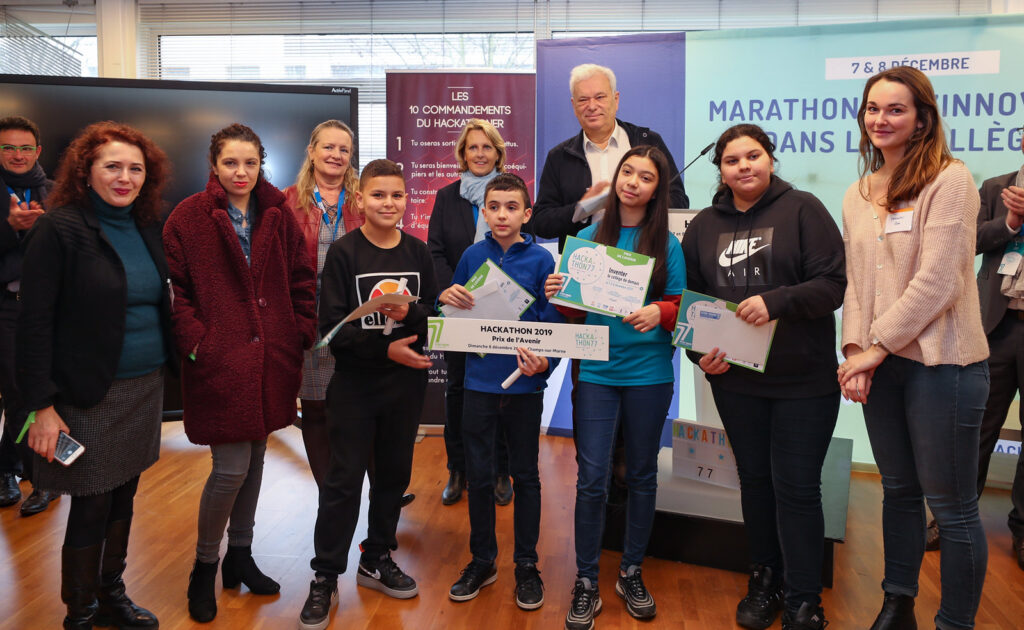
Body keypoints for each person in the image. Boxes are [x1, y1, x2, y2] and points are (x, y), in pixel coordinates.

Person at [838, 66, 989, 630]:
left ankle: (955, 623)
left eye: (895, 109)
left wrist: (875, 347)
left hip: (943, 364)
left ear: (922, 118)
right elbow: (857, 283)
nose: (881, 119)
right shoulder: (858, 192)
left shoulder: (951, 179)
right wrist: (856, 350)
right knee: (898, 491)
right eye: (872, 108)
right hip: (881, 365)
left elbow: (940, 281)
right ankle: (897, 604)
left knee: (951, 507)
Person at [681, 124, 845, 630]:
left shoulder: (804, 209)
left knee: (797, 488)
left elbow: (833, 285)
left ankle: (803, 599)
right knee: (754, 483)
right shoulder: (703, 225)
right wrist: (699, 357)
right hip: (736, 382)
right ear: (721, 170)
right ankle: (764, 579)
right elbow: (691, 302)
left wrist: (777, 301)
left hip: (803, 382)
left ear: (770, 159)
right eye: (732, 160)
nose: (744, 166)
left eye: (753, 156)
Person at [17, 121, 173, 629]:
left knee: (124, 494)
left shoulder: (148, 226)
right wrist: (41, 406)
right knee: (91, 501)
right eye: (113, 166)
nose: (125, 178)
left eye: (135, 169)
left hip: (144, 386)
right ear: (86, 172)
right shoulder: (58, 229)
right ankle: (80, 613)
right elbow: (33, 324)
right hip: (88, 394)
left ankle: (111, 595)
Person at [163, 123, 316, 623]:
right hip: (220, 361)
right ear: (214, 165)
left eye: (250, 162)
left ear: (260, 164)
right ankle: (204, 566)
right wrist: (198, 343)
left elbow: (301, 276)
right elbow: (176, 291)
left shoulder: (278, 212)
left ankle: (241, 556)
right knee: (230, 468)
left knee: (255, 461)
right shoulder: (188, 217)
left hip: (271, 358)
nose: (241, 172)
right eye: (230, 162)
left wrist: (299, 329)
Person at [544, 145, 685, 630]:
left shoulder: (667, 244)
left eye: (646, 177)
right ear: (616, 177)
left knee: (642, 475)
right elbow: (573, 311)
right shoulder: (585, 238)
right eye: (628, 172)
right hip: (597, 373)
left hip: (649, 374)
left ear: (657, 189)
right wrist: (558, 294)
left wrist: (660, 312)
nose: (633, 182)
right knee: (592, 478)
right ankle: (586, 580)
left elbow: (679, 305)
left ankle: (630, 572)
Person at [298, 159, 438, 630]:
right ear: (360, 200)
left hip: (405, 387)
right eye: (378, 195)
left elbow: (433, 318)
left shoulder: (418, 252)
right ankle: (325, 575)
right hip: (354, 387)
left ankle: (376, 557)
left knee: (393, 476)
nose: (388, 203)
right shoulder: (344, 253)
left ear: (407, 200)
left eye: (397, 195)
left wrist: (411, 314)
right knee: (342, 481)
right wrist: (385, 348)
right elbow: (332, 331)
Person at [439, 173, 562, 610]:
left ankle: (526, 565)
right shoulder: (472, 256)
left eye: (512, 207)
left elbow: (554, 322)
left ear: (527, 214)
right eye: (494, 207)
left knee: (525, 476)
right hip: (478, 384)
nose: (502, 215)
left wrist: (545, 363)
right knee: (479, 475)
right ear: (484, 212)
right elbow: (449, 313)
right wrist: (445, 299)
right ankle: (482, 560)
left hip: (525, 386)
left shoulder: (543, 261)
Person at [427, 118, 513, 506]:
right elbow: (435, 251)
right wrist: (450, 291)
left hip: (504, 312)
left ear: (498, 153)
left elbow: (521, 245)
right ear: (463, 154)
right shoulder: (447, 197)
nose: (479, 154)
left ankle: (500, 471)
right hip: (458, 311)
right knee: (458, 391)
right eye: (472, 147)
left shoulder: (511, 192)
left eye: (486, 147)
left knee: (503, 393)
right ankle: (458, 469)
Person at [283, 119, 363, 488]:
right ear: (312, 152)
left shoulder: (364, 198)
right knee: (315, 409)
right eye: (328, 147)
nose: (336, 155)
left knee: (356, 408)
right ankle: (328, 493)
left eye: (344, 149)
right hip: (309, 319)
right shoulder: (286, 201)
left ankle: (363, 489)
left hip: (355, 318)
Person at [532, 63, 688, 247]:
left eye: (600, 97)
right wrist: (582, 208)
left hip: (642, 250)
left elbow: (679, 201)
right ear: (573, 106)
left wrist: (637, 201)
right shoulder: (559, 157)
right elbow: (541, 223)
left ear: (616, 99)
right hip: (584, 255)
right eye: (583, 100)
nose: (592, 106)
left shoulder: (647, 142)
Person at [969, 124, 1024, 569]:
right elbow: (968, 242)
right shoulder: (995, 188)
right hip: (996, 326)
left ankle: (1023, 529)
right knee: (976, 427)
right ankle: (955, 518)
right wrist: (1010, 223)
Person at [0, 115, 59, 516]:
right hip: (6, 307)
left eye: (25, 148)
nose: (17, 155)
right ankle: (29, 475)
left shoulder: (57, 193)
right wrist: (9, 227)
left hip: (50, 310)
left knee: (41, 394)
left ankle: (18, 470)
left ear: (38, 151)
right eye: (8, 148)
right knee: (18, 394)